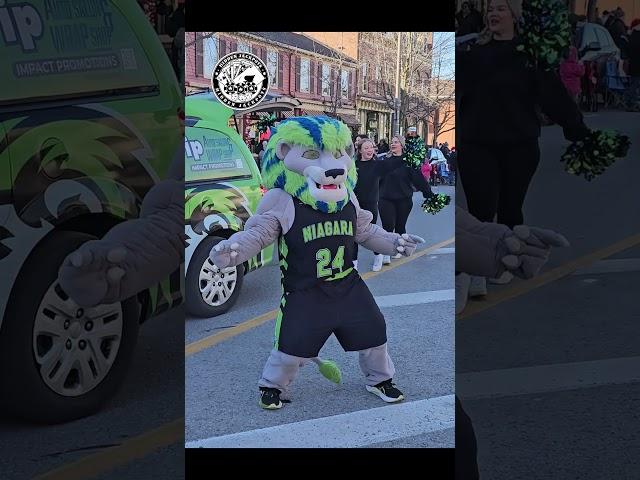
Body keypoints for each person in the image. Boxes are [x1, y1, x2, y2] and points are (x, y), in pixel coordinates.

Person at [208, 116, 425, 409]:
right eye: (312, 155)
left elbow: (364, 231)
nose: (331, 166)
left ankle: (380, 379)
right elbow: (259, 234)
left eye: (337, 155)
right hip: (305, 289)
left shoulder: (347, 196)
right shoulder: (283, 200)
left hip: (347, 285)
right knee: (290, 347)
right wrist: (233, 250)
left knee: (374, 331)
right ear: (283, 154)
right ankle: (272, 386)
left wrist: (395, 242)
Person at [457, 0, 589, 294]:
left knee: (510, 209)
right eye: (490, 9)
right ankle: (479, 269)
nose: (493, 13)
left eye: (501, 9)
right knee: (480, 208)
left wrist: (575, 127)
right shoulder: (471, 55)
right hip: (477, 143)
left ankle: (507, 261)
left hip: (520, 144)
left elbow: (552, 95)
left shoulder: (529, 56)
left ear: (514, 17)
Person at [378, 135, 434, 265]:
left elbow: (418, 178)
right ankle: (387, 252)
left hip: (404, 198)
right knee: (387, 226)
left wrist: (428, 193)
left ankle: (399, 248)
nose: (393, 144)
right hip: (385, 198)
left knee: (400, 226)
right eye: (391, 142)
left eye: (396, 142)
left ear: (402, 145)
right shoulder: (384, 161)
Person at [353, 139, 405, 271]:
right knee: (353, 233)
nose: (370, 150)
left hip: (371, 204)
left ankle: (378, 256)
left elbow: (386, 179)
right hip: (355, 204)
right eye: (366, 148)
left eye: (371, 148)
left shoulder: (378, 165)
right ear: (360, 151)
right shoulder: (353, 165)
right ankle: (353, 263)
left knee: (371, 233)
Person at [625, 18, 640, 111]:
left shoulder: (631, 36)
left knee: (634, 84)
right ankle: (632, 103)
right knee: (635, 85)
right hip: (638, 64)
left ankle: (631, 103)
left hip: (633, 64)